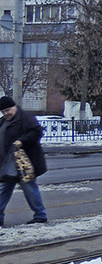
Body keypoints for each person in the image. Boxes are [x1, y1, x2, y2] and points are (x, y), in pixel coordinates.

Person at [0, 95, 48, 226]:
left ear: (14, 106)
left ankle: (40, 215)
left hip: (24, 164)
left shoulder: (25, 117)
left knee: (30, 189)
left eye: (8, 110)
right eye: (3, 111)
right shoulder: (3, 121)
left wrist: (22, 141)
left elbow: (37, 132)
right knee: (3, 190)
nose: (6, 113)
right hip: (7, 164)